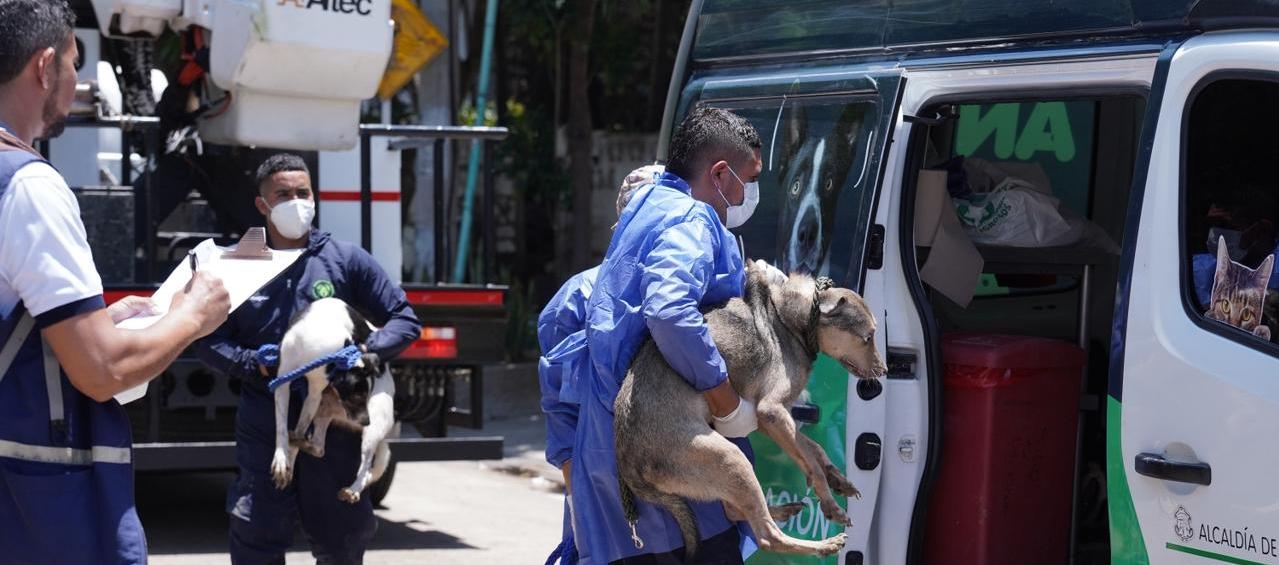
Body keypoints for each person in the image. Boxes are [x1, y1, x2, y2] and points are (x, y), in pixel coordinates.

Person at [0, 1, 231, 562]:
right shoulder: (29, 187)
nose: (78, 82)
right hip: (36, 510)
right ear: (44, 65)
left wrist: (98, 319)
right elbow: (103, 370)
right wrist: (193, 315)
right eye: (75, 64)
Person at [193, 153, 422, 564]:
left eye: (303, 192)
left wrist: (365, 354)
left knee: (343, 538)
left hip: (334, 423)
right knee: (256, 534)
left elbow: (403, 320)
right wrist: (250, 362)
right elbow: (206, 340)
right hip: (267, 419)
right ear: (262, 205)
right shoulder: (238, 266)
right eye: (283, 194)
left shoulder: (344, 260)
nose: (296, 202)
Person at [572, 106, 765, 564]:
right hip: (667, 466)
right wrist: (724, 399)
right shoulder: (692, 220)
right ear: (720, 173)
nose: (752, 192)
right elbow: (670, 309)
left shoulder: (649, 204)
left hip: (621, 456)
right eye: (749, 177)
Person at [540, 164, 665, 565]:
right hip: (604, 492)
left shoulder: (687, 291)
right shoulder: (576, 298)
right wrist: (581, 507)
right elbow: (561, 416)